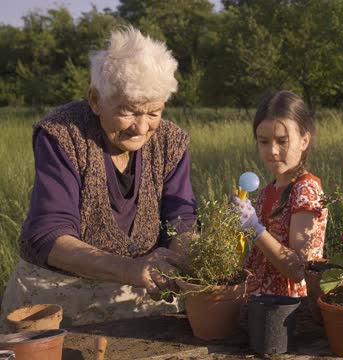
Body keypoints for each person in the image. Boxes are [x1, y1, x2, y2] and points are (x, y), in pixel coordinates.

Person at [0, 26, 197, 327]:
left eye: (154, 112)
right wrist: (128, 269)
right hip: (56, 302)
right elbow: (48, 235)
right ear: (95, 99)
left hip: (141, 301)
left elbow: (181, 218)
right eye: (128, 111)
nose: (141, 128)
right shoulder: (62, 133)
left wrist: (178, 257)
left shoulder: (171, 141)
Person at [231, 90, 327, 297]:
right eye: (264, 141)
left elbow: (298, 269)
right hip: (260, 304)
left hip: (288, 310)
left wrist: (254, 228)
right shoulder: (268, 191)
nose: (272, 151)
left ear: (304, 140)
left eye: (282, 141)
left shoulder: (306, 189)